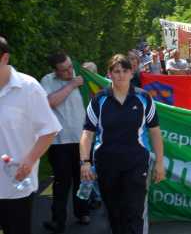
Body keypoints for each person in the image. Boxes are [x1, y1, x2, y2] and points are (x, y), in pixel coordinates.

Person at [80, 54, 165, 234]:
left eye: (124, 71)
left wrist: (159, 162)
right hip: (106, 164)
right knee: (114, 213)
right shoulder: (99, 100)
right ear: (109, 74)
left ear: (132, 73)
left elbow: (155, 132)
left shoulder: (143, 98)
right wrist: (85, 162)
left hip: (136, 163)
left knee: (134, 212)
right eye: (116, 71)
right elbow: (87, 134)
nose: (121, 75)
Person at [0, 36, 61, 234]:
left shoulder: (29, 88)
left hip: (15, 185)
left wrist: (30, 160)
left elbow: (49, 130)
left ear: (4, 58)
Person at [41, 52, 90, 233]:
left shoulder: (81, 75)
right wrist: (71, 85)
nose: (70, 71)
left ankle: (83, 212)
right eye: (65, 70)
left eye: (70, 66)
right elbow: (49, 102)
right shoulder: (47, 80)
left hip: (82, 139)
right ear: (55, 71)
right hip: (59, 142)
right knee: (62, 183)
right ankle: (58, 220)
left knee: (83, 180)